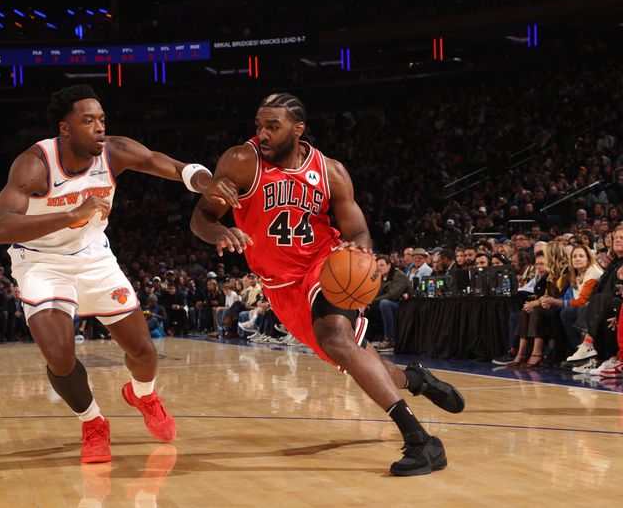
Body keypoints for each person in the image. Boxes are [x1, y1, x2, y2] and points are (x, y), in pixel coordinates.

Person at [190, 92, 464, 476]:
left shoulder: (330, 171)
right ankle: (415, 378)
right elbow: (200, 217)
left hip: (325, 264)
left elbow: (359, 232)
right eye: (259, 126)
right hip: (280, 287)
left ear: (298, 129)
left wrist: (362, 264)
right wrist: (219, 229)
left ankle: (422, 441)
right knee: (354, 356)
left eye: (273, 126)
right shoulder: (240, 161)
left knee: (337, 338)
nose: (263, 134)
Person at [0, 84, 234, 464]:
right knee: (59, 355)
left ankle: (144, 395)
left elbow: (167, 164)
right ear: (65, 129)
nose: (99, 127)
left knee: (143, 351)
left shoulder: (114, 151)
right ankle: (93, 422)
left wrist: (205, 181)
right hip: (40, 262)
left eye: (101, 119)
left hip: (93, 257)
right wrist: (70, 215)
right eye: (88, 121)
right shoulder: (35, 164)